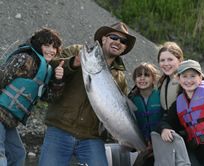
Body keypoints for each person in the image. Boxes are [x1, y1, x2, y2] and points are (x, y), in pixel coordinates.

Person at [38, 22, 136, 166]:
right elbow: (52, 67)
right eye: (113, 37)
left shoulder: (120, 78)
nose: (117, 42)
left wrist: (126, 137)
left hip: (92, 138)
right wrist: (73, 63)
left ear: (125, 47)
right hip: (60, 129)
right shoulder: (77, 51)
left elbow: (121, 112)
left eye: (123, 41)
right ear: (103, 39)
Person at [0, 28, 63, 166]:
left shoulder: (46, 69)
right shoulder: (24, 58)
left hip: (9, 120)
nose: (51, 50)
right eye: (47, 45)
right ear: (38, 44)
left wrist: (58, 81)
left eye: (55, 47)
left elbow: (48, 98)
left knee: (18, 155)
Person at [128, 62, 163, 166]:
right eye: (139, 75)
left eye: (146, 75)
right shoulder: (131, 99)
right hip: (141, 146)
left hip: (162, 144)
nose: (142, 78)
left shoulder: (161, 95)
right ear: (135, 79)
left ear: (154, 79)